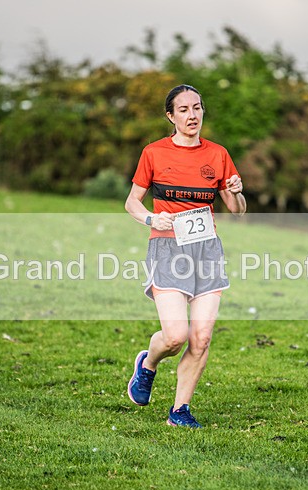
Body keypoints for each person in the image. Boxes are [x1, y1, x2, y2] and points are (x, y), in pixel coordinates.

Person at [124, 84, 246, 428]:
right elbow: (132, 202)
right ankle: (148, 363)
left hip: (207, 249)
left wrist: (236, 193)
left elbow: (236, 210)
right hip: (167, 248)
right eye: (184, 110)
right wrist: (151, 218)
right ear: (171, 116)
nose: (192, 116)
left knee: (202, 337)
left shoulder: (218, 155)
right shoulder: (154, 153)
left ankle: (180, 411)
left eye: (197, 108)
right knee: (176, 336)